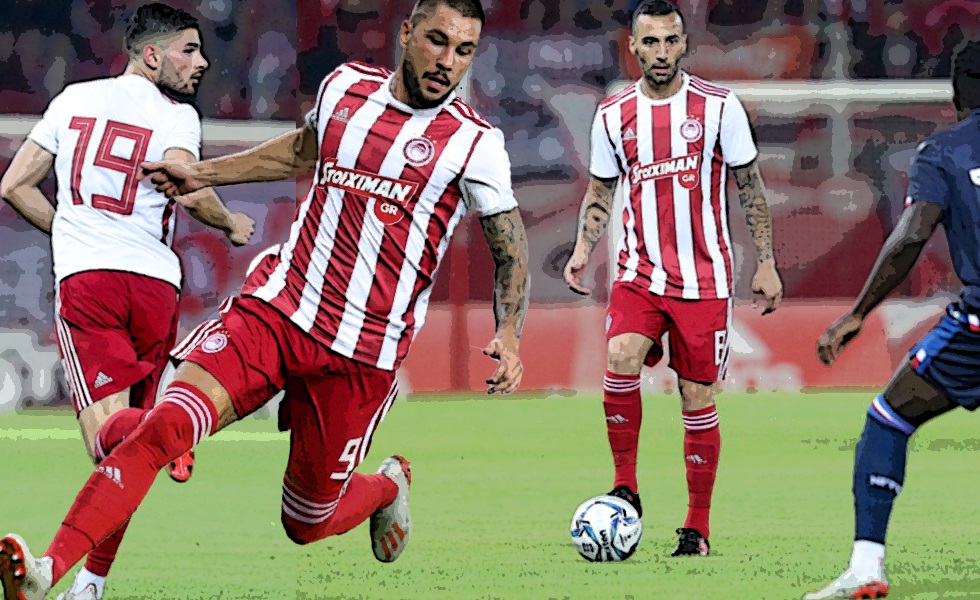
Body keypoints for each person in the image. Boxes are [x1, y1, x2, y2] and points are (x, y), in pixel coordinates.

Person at [0, 0, 528, 597]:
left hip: (362, 351)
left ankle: (386, 487)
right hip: (278, 307)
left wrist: (509, 336)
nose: (448, 61)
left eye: (463, 51)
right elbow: (302, 150)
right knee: (164, 425)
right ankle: (49, 571)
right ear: (407, 33)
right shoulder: (346, 88)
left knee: (307, 522)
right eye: (437, 41)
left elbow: (510, 250)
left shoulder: (476, 143)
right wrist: (206, 174)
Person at [0, 4, 253, 600]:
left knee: (107, 440)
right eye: (189, 50)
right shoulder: (177, 116)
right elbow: (188, 184)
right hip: (156, 286)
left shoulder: (72, 100)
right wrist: (227, 222)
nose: (202, 62)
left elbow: (13, 185)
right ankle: (90, 584)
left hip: (92, 282)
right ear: (152, 55)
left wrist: (72, 230)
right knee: (132, 457)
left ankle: (163, 431)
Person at [562, 0, 783, 557]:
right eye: (650, 42)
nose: (661, 52)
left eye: (670, 40)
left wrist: (766, 261)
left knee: (696, 395)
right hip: (639, 270)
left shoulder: (719, 107)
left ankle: (696, 527)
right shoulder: (612, 114)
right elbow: (601, 191)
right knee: (620, 356)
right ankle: (625, 487)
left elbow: (750, 187)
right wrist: (584, 249)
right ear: (633, 47)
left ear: (684, 44)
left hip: (704, 279)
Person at [805, 40, 980, 600]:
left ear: (957, 94)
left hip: (978, 331)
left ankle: (866, 566)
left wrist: (857, 313)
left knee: (888, 418)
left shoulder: (944, 152)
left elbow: (911, 235)